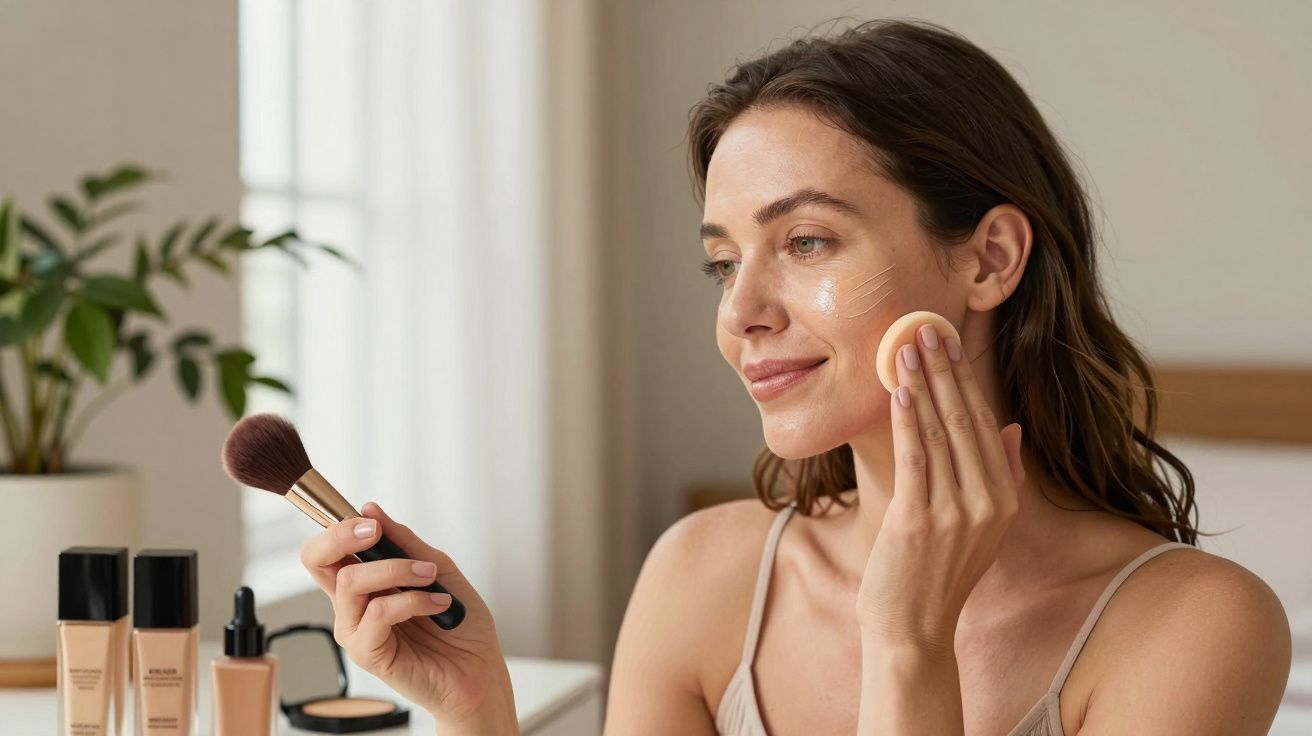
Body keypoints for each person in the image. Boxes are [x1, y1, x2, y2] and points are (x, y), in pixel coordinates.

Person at [298, 18, 1292, 735]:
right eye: (724, 261)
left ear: (988, 258)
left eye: (806, 240)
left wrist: (908, 645)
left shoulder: (1195, 627)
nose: (740, 313)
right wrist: (477, 714)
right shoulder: (703, 575)